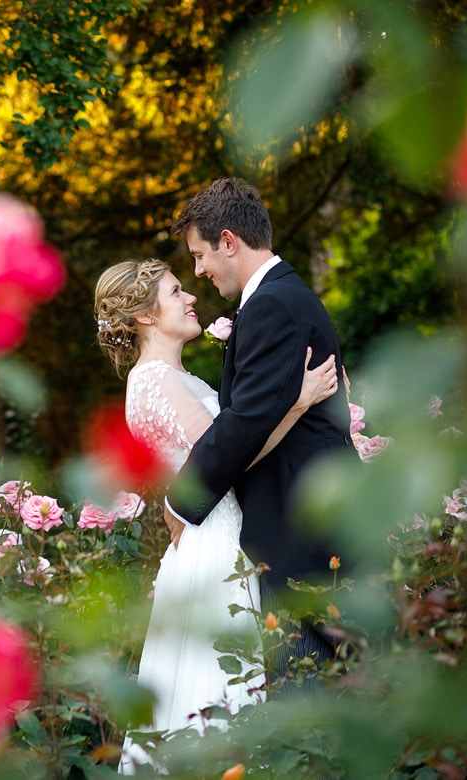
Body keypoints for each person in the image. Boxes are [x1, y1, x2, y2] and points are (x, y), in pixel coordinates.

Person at [92, 258, 338, 774]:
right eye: (176, 291)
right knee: (225, 686)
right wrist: (297, 403)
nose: (191, 298)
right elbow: (226, 457)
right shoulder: (154, 381)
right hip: (215, 543)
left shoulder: (177, 377)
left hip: (222, 532)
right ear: (144, 316)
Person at [162, 178, 358, 680]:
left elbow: (245, 421)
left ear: (229, 241)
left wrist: (180, 500)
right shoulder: (279, 297)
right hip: (304, 532)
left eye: (200, 254)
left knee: (308, 714)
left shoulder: (271, 305)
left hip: (302, 538)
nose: (199, 269)